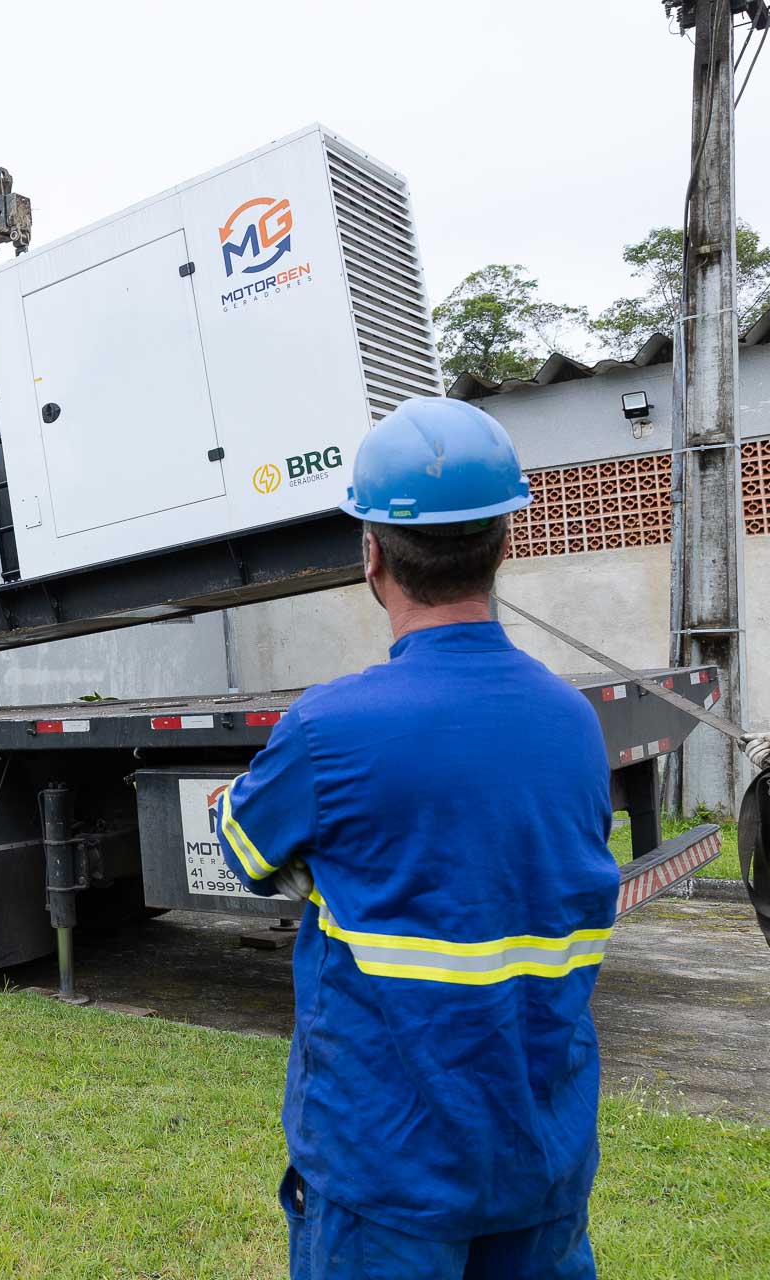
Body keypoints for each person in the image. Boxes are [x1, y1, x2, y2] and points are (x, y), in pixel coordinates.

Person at [215, 398, 610, 1278]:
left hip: (385, 1174)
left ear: (372, 555)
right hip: (541, 1167)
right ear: (505, 543)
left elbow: (244, 850)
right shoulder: (573, 723)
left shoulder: (330, 730)